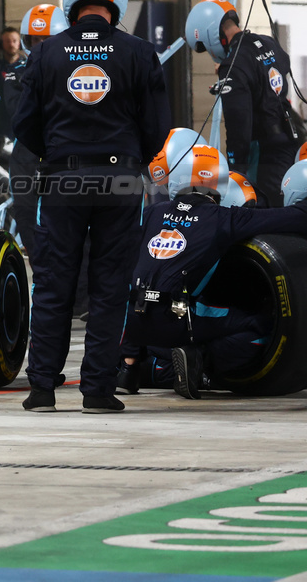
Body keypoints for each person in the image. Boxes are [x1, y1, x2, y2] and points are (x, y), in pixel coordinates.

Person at [13, 0, 170, 413]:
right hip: (120, 180)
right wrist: (128, 157)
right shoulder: (140, 53)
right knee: (109, 286)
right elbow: (158, 126)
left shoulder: (45, 53)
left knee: (52, 283)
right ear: (116, 2)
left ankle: (42, 387)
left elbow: (25, 125)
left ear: (71, 2)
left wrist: (61, 155)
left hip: (62, 179)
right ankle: (98, 391)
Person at [120, 147, 307, 399]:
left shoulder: (151, 213)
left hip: (131, 323)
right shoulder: (223, 218)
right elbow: (296, 217)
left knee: (134, 293)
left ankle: (128, 370)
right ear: (220, 182)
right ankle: (200, 360)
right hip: (176, 320)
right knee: (262, 327)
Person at [187, 0, 300, 205]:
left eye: (204, 46)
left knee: (264, 219)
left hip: (263, 156)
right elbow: (283, 64)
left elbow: (238, 124)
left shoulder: (233, 66)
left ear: (210, 34)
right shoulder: (267, 42)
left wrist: (235, 169)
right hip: (291, 142)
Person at [7, 5, 70, 258]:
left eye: (48, 39)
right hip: (27, 156)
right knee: (28, 219)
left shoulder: (77, 72)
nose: (41, 44)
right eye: (36, 39)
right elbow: (21, 116)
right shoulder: (16, 74)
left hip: (67, 157)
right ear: (26, 40)